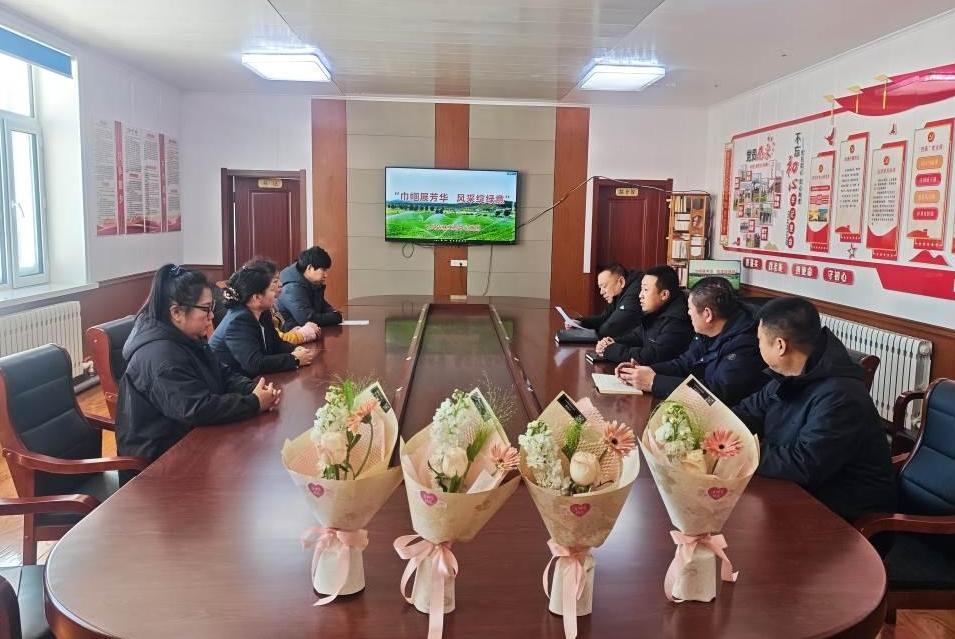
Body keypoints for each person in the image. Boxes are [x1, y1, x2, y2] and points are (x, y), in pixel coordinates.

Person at [732, 297, 896, 521]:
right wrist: (717, 427)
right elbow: (748, 410)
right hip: (800, 491)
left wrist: (739, 451)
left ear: (780, 345)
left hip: (842, 514)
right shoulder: (788, 375)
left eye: (760, 340)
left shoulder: (841, 396)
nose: (757, 345)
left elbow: (804, 464)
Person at [117, 264, 281, 480]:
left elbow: (221, 372)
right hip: (157, 468)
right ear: (177, 312)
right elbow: (197, 408)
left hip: (191, 440)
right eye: (205, 309)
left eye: (211, 307)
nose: (212, 315)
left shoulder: (187, 336)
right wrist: (254, 402)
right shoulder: (159, 356)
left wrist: (252, 388)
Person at [616, 276, 767, 405]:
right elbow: (685, 364)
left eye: (690, 308)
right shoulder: (706, 332)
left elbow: (714, 395)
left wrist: (654, 382)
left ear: (707, 314)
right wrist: (644, 371)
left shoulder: (746, 344)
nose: (688, 313)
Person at [210, 262, 316, 377]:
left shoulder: (263, 312)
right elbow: (254, 364)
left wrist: (295, 349)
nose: (279, 288)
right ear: (256, 297)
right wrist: (294, 359)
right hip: (232, 383)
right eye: (272, 288)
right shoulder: (239, 320)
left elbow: (276, 344)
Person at [594, 265, 693, 365]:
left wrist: (611, 350)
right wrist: (611, 342)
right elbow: (637, 337)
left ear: (664, 295)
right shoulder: (656, 312)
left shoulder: (678, 321)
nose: (640, 295)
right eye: (641, 289)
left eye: (645, 290)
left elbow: (653, 355)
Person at [276, 246, 343, 329]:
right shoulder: (292, 288)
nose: (326, 275)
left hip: (307, 332)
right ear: (310, 268)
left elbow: (322, 305)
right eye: (323, 270)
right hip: (291, 334)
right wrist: (336, 317)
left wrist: (333, 312)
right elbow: (307, 319)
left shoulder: (310, 282)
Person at [567, 263, 642, 338]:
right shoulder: (617, 294)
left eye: (604, 286)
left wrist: (592, 336)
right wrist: (580, 322)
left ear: (621, 282)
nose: (601, 292)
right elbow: (604, 318)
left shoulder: (634, 292)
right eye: (600, 288)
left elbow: (612, 326)